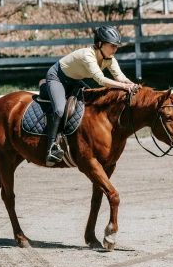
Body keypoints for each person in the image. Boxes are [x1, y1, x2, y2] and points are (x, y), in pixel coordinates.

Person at [44, 25, 136, 166]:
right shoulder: (88, 55)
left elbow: (120, 77)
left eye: (116, 46)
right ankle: (51, 147)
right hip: (56, 77)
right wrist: (124, 86)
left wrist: (133, 85)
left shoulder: (109, 58)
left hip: (74, 81)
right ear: (99, 44)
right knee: (60, 109)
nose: (115, 49)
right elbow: (100, 80)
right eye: (112, 46)